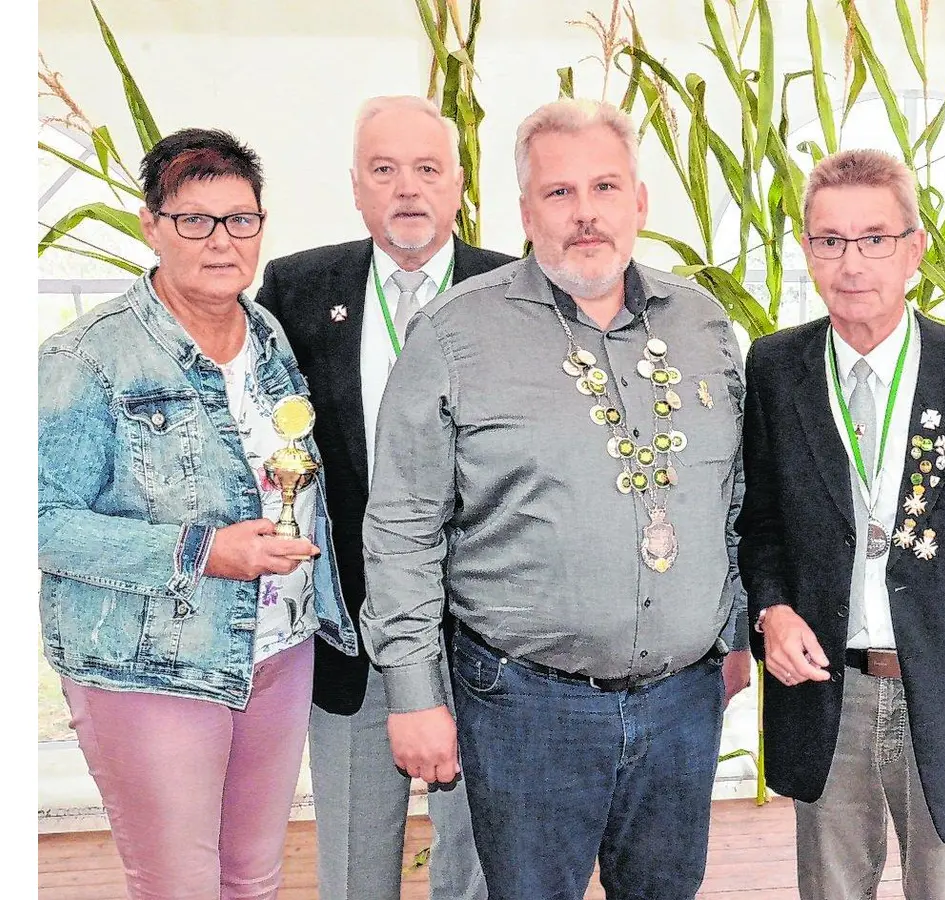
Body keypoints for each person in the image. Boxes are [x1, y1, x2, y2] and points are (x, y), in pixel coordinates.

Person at [359, 98, 750, 900]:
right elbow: (400, 529)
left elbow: (735, 498)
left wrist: (737, 627)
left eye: (605, 188)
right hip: (526, 707)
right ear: (524, 211)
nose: (585, 215)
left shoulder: (705, 325)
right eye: (559, 193)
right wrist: (413, 696)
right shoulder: (455, 335)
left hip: (683, 702)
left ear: (639, 200)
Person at [38, 127, 359, 899]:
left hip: (278, 649)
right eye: (195, 220)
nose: (222, 241)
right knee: (179, 884)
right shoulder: (88, 357)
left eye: (240, 219)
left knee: (254, 878)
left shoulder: (269, 337)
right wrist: (200, 551)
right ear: (152, 225)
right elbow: (40, 520)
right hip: (152, 665)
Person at [737, 147, 945, 900]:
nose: (853, 263)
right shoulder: (777, 369)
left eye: (875, 238)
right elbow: (761, 527)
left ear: (915, 248)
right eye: (830, 241)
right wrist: (772, 607)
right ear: (808, 252)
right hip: (827, 690)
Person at [254, 95, 510, 900]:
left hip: (488, 641)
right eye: (385, 170)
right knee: (356, 871)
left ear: (459, 186)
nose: (408, 189)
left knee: (480, 870)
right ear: (356, 188)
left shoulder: (515, 289)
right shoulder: (298, 288)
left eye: (427, 169)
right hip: (351, 642)